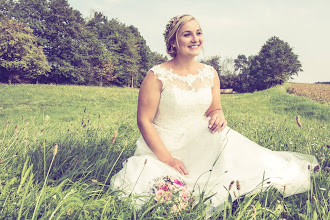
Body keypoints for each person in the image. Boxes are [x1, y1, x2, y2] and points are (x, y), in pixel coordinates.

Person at [111, 14, 318, 212]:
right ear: (173, 42)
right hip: (165, 145)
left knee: (228, 143)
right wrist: (168, 160)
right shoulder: (156, 75)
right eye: (187, 34)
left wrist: (219, 115)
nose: (195, 39)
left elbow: (214, 109)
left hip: (200, 139)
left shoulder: (209, 73)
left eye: (198, 33)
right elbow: (144, 121)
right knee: (149, 183)